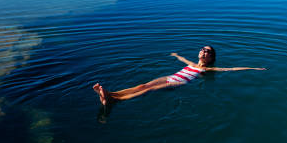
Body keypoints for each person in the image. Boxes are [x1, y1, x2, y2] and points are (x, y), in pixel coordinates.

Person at [93, 45, 265, 106]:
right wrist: (176, 55)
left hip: (178, 82)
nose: (203, 51)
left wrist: (252, 68)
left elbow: (231, 69)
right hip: (170, 77)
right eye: (202, 49)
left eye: (207, 51)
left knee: (147, 91)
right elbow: (183, 58)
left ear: (211, 58)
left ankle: (114, 100)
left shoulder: (208, 70)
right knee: (143, 86)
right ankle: (111, 94)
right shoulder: (191, 64)